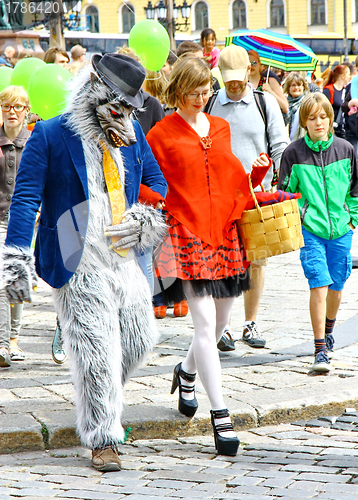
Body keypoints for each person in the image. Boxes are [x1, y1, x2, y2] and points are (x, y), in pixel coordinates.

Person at [2, 53, 167, 470]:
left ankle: (100, 395)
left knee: (138, 339)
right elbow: (24, 198)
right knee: (96, 352)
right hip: (77, 258)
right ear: (94, 91)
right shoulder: (51, 135)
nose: (124, 115)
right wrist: (16, 256)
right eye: (118, 106)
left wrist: (144, 218)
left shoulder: (131, 136)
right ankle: (103, 438)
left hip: (123, 257)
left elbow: (156, 182)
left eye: (130, 108)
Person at [146, 55, 271, 456]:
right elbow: (147, 182)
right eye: (194, 92)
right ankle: (221, 417)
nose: (202, 98)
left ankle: (185, 372)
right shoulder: (161, 133)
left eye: (206, 91)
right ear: (178, 91)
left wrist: (254, 175)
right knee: (202, 326)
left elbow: (228, 175)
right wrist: (162, 208)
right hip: (186, 233)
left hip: (224, 233)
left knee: (220, 324)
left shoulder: (219, 127)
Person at [208, 45, 289, 351]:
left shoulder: (264, 102)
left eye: (237, 79)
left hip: (257, 196)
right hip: (220, 197)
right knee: (223, 261)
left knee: (256, 261)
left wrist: (282, 182)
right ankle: (223, 326)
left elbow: (280, 145)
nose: (233, 85)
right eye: (227, 80)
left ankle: (250, 322)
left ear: (248, 72)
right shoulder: (211, 102)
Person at [278, 93, 358, 372]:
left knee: (337, 286)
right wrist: (299, 219)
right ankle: (319, 348)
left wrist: (352, 221)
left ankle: (329, 327)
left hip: (341, 230)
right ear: (304, 122)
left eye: (323, 116)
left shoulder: (346, 149)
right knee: (319, 284)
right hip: (310, 231)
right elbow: (285, 194)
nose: (318, 122)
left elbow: (354, 189)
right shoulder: (293, 153)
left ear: (330, 118)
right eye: (312, 118)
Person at [0, 86, 31, 367]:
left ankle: (13, 339)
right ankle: (1, 344)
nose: (12, 112)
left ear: (26, 110)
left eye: (17, 107)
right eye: (7, 106)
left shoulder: (33, 142)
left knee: (15, 278)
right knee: (1, 279)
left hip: (21, 222)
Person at [248, 49, 288, 114]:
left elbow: (285, 107)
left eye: (254, 63)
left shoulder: (270, 81)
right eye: (248, 63)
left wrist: (270, 91)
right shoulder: (244, 83)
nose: (251, 66)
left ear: (260, 64)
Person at [323, 64, 350, 138]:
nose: (349, 77)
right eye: (348, 74)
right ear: (342, 76)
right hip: (333, 130)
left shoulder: (346, 90)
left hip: (344, 130)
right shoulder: (328, 91)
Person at [283, 72, 310, 141]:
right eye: (293, 85)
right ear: (288, 87)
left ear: (303, 87)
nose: (296, 88)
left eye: (299, 85)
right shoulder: (284, 104)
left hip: (301, 142)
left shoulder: (307, 103)